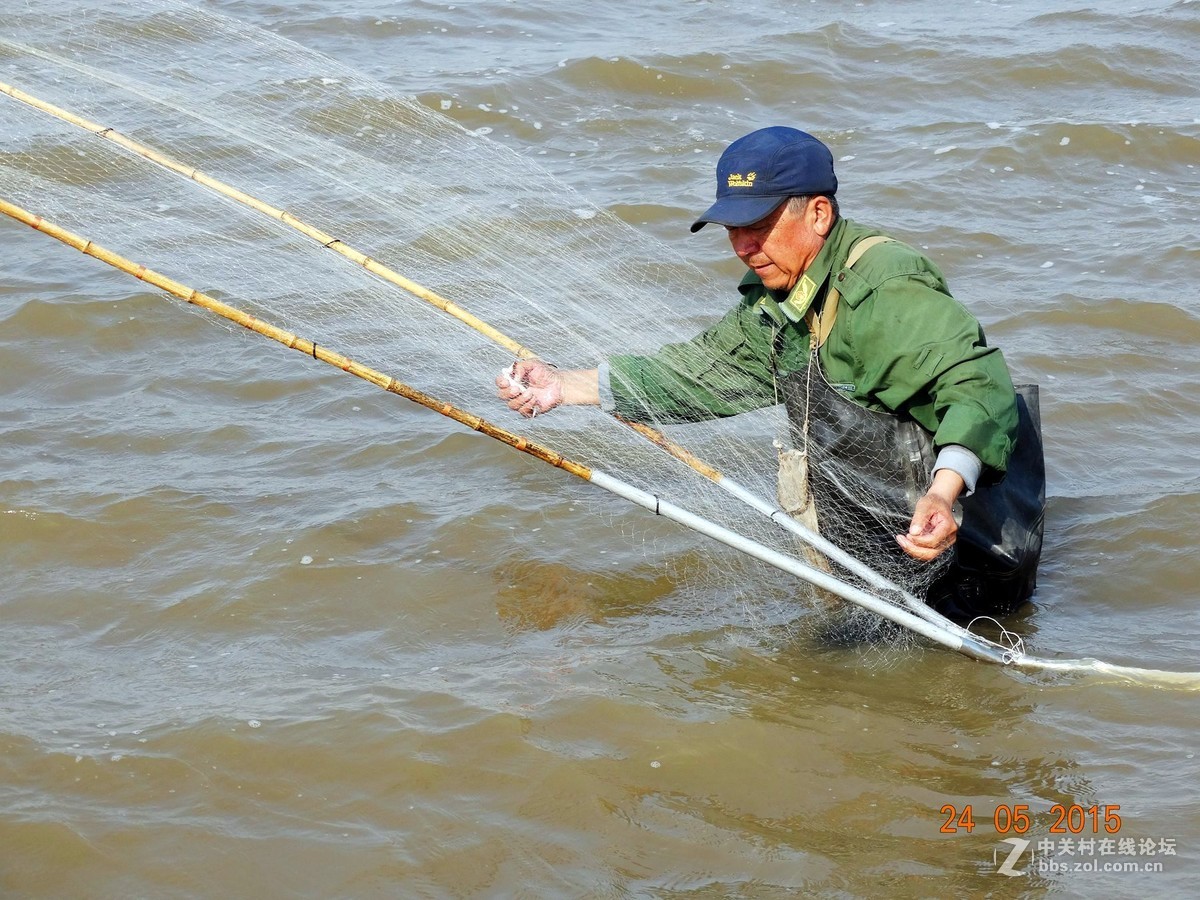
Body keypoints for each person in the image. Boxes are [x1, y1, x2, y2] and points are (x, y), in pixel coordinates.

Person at [496, 126, 1044, 622]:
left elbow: (978, 387)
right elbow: (701, 374)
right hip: (876, 539)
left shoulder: (884, 287)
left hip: (960, 542)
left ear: (819, 215)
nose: (742, 246)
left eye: (758, 225)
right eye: (732, 228)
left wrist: (943, 495)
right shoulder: (777, 298)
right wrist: (564, 386)